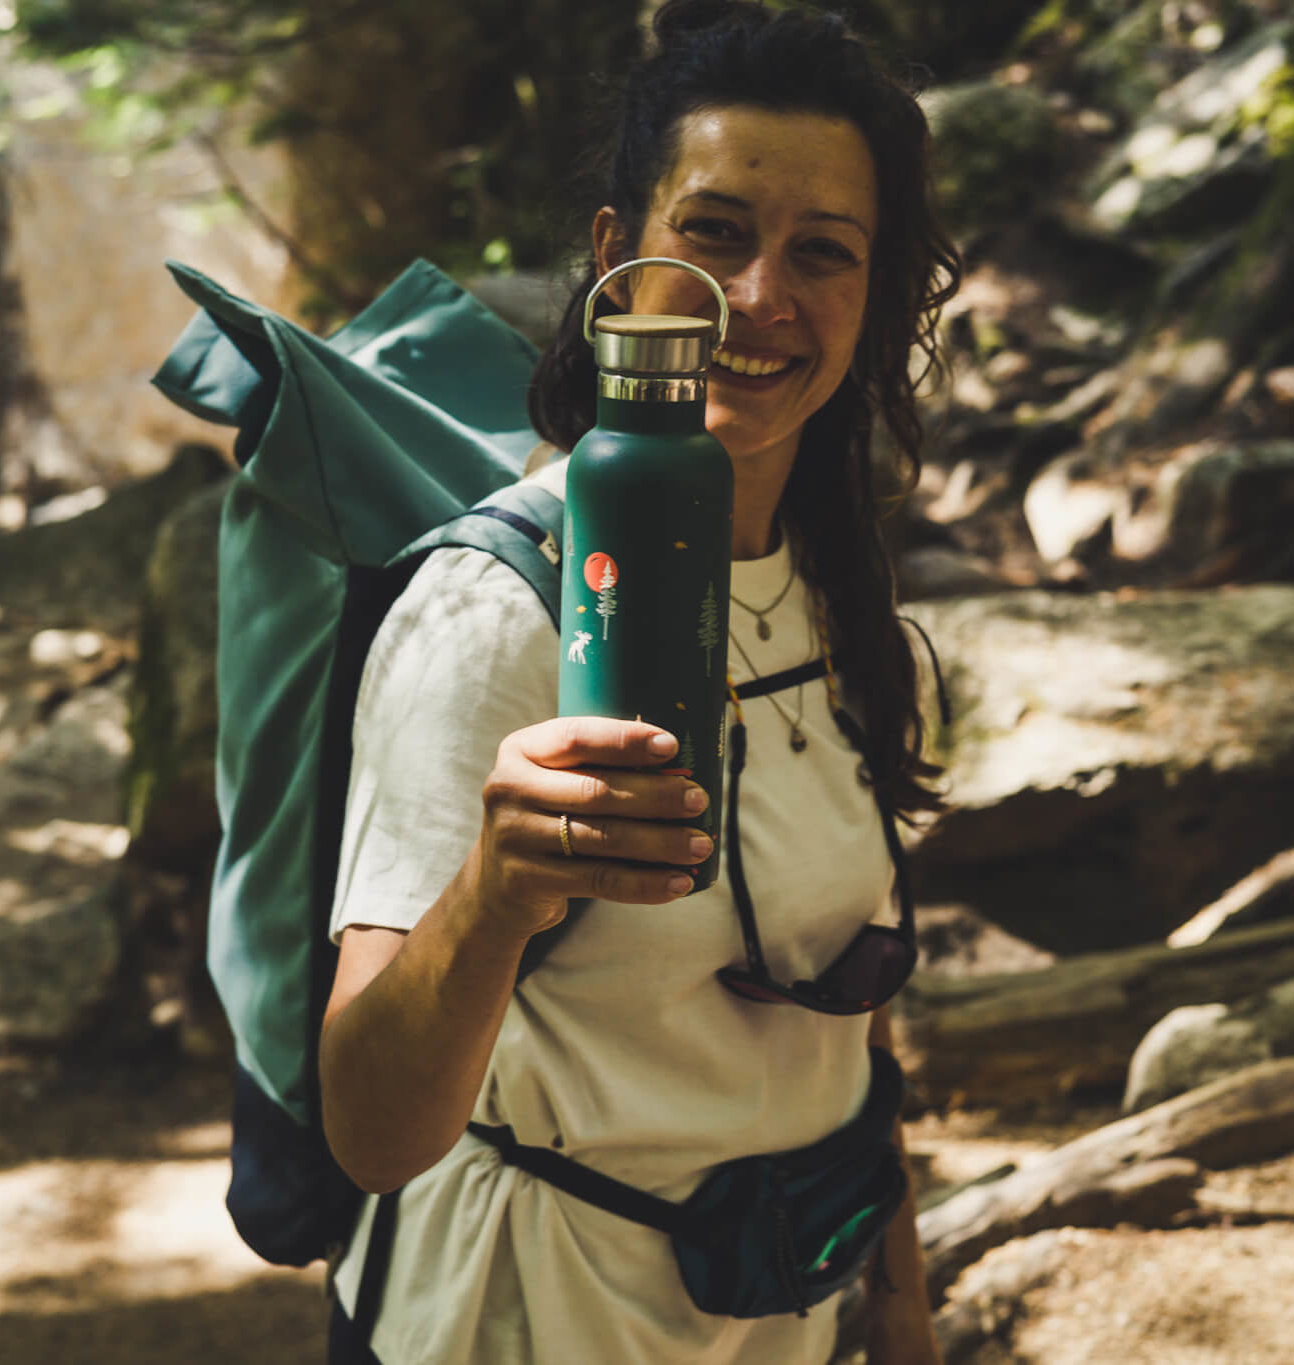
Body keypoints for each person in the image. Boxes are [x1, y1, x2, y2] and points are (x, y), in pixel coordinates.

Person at [319, 1, 960, 1360]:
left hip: (769, 1307)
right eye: (715, 233)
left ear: (875, 295)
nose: (760, 299)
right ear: (619, 256)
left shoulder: (845, 604)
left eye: (823, 253)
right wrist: (494, 892)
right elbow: (371, 1131)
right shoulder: (500, 614)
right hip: (528, 1316)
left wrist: (899, 1314)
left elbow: (848, 1015)